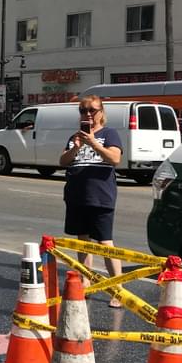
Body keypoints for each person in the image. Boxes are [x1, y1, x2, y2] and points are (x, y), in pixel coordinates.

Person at [58, 94, 124, 308]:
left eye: (92, 110)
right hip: (77, 196)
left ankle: (117, 290)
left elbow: (115, 159)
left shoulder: (109, 134)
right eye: (83, 110)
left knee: (105, 243)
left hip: (101, 197)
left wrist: (94, 143)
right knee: (83, 241)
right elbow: (63, 161)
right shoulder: (74, 136)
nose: (87, 114)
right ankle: (85, 282)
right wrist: (76, 147)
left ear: (101, 112)